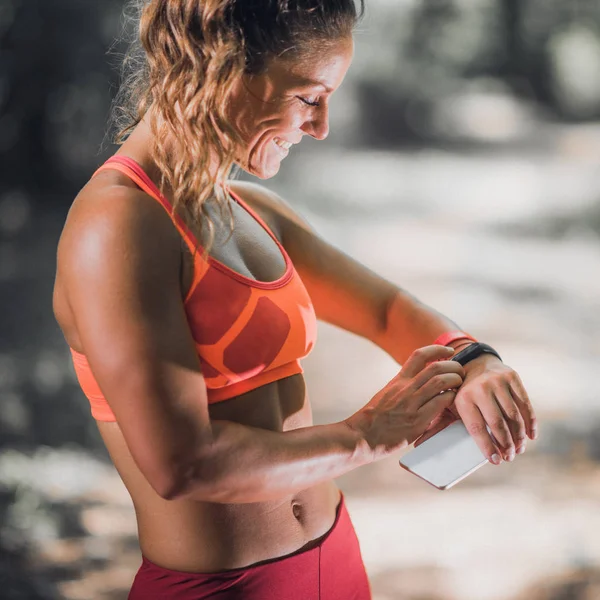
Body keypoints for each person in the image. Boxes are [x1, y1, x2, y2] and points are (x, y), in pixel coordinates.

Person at [52, 1, 538, 598]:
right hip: (221, 587)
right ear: (222, 68)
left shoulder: (252, 211)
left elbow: (388, 312)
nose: (321, 126)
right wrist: (365, 435)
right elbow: (183, 464)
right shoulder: (118, 224)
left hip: (335, 557)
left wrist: (474, 358)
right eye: (309, 97)